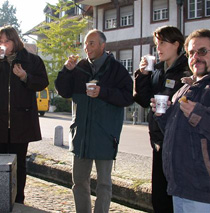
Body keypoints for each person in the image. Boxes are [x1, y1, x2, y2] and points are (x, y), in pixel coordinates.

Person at [55, 29, 133, 213]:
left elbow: (128, 97)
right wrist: (67, 70)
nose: (86, 47)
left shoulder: (117, 69)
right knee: (79, 182)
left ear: (102, 45)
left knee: (104, 184)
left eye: (91, 43)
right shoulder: (79, 67)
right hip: (81, 134)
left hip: (106, 135)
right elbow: (63, 91)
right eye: (85, 43)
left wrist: (103, 92)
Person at [0, 25, 48, 204]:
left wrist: (25, 77)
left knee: (19, 164)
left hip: (21, 122)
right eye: (0, 41)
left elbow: (42, 82)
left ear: (15, 41)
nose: (3, 44)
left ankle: (18, 200)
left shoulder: (31, 60)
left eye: (7, 41)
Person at [151, 28, 210, 212]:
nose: (196, 57)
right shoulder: (184, 88)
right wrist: (163, 115)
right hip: (180, 186)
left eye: (203, 51)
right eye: (191, 52)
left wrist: (198, 113)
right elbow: (172, 130)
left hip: (202, 189)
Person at [133, 25, 192, 212]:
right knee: (159, 195)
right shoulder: (157, 69)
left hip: (180, 142)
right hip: (159, 140)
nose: (158, 48)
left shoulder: (188, 69)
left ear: (176, 44)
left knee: (178, 196)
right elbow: (142, 100)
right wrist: (142, 75)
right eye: (156, 44)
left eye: (162, 43)